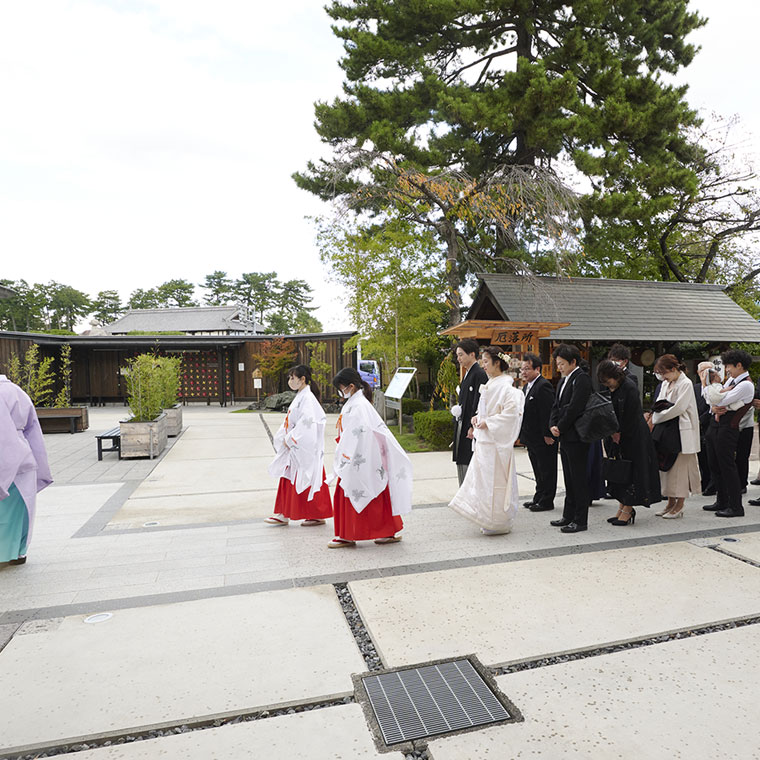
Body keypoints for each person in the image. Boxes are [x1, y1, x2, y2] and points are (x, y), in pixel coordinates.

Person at [328, 367, 412, 548]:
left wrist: (347, 454)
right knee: (369, 492)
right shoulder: (356, 402)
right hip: (359, 454)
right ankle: (379, 532)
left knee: (356, 490)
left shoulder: (359, 405)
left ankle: (350, 534)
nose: (340, 392)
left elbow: (360, 434)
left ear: (350, 386)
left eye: (341, 387)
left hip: (360, 455)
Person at [450, 346, 525, 534]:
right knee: (483, 483)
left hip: (496, 443)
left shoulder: (507, 387)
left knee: (496, 483)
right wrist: (476, 418)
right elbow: (482, 410)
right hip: (484, 441)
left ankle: (498, 521)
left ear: (496, 363)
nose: (483, 365)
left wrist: (488, 422)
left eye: (485, 361)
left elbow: (510, 415)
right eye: (482, 361)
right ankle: (485, 517)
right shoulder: (491, 383)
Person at [266, 365, 333, 526]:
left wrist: (291, 439)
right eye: (289, 378)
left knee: (307, 476)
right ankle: (285, 512)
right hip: (294, 443)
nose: (290, 381)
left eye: (292, 378)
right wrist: (284, 435)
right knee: (291, 477)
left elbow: (307, 423)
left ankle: (314, 513)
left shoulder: (307, 398)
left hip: (302, 444)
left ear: (302, 379)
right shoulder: (301, 396)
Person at [597, 360, 661, 526]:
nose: (607, 385)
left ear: (615, 376)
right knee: (620, 472)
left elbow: (631, 416)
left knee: (630, 471)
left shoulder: (629, 387)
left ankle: (628, 508)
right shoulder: (614, 387)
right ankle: (622, 506)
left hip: (633, 436)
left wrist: (619, 432)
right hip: (617, 434)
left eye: (608, 381)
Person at [0, 373, 53, 565]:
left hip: (5, 454)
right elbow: (33, 429)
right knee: (22, 509)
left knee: (4, 511)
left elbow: (2, 433)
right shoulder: (16, 390)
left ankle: (4, 553)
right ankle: (20, 551)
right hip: (25, 455)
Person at [702, 349, 754, 518]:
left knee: (727, 466)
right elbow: (713, 399)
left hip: (729, 428)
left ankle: (736, 506)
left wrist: (714, 396)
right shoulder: (732, 379)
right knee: (714, 464)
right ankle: (722, 500)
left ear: (739, 365)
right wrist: (714, 403)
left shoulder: (746, 384)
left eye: (729, 366)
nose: (727, 370)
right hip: (716, 425)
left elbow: (719, 399)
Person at [649, 355, 700, 519]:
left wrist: (658, 417)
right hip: (666, 429)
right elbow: (660, 403)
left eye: (664, 372)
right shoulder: (665, 383)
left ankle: (679, 505)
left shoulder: (686, 383)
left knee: (680, 470)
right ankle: (670, 503)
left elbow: (679, 408)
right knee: (667, 468)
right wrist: (658, 415)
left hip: (681, 430)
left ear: (673, 369)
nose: (663, 377)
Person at [549, 343, 592, 533]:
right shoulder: (563, 380)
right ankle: (568, 515)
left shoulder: (581, 379)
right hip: (565, 435)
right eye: (557, 364)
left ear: (573, 362)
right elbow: (556, 405)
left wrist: (561, 425)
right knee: (568, 477)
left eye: (562, 364)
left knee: (578, 478)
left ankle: (580, 519)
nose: (559, 367)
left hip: (576, 436)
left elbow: (576, 407)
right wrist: (553, 424)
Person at [518, 353, 557, 512]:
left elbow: (547, 412)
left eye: (527, 369)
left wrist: (548, 434)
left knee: (546, 468)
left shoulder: (543, 385)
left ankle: (547, 500)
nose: (524, 372)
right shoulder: (527, 386)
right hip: (531, 437)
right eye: (522, 369)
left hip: (544, 437)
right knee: (537, 469)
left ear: (537, 369)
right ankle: (539, 496)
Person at [451, 339, 488, 486]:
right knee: (462, 458)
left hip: (470, 424)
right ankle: (463, 492)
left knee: (469, 459)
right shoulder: (467, 374)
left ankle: (469, 494)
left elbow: (478, 402)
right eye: (457, 355)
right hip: (463, 421)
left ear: (472, 354)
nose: (458, 358)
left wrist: (473, 425)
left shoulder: (478, 374)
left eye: (461, 355)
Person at [694, 361, 715, 496]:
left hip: (710, 425)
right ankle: (704, 481)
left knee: (711, 457)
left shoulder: (717, 387)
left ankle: (713, 485)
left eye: (709, 371)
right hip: (696, 428)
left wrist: (700, 420)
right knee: (701, 457)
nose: (706, 374)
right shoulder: (694, 388)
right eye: (703, 371)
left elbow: (712, 408)